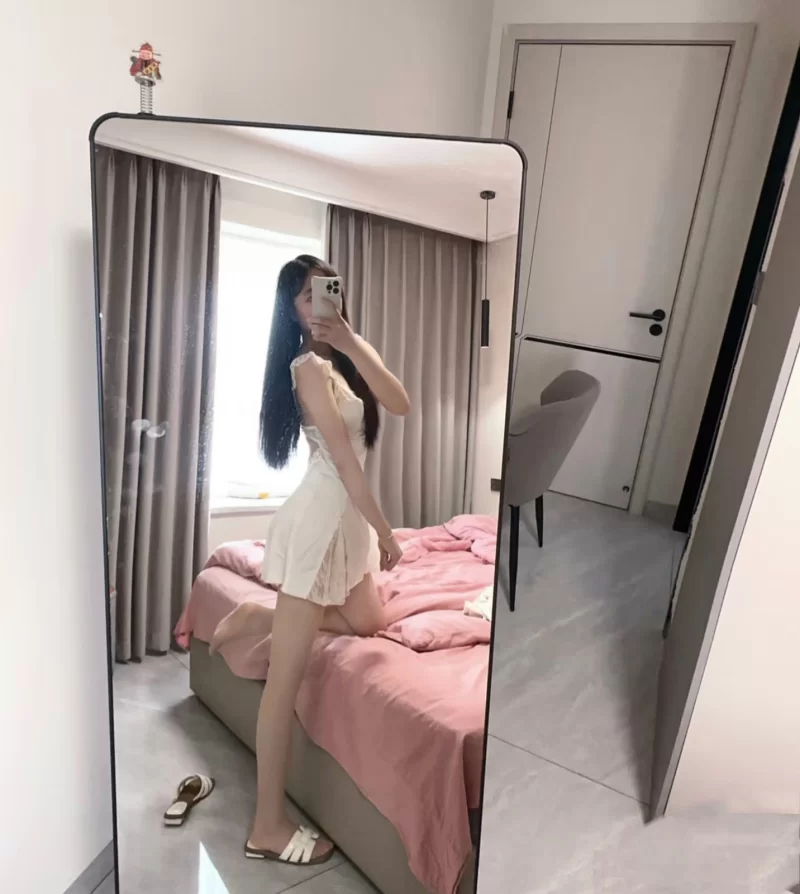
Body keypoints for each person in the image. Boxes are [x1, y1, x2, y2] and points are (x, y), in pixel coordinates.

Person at [209, 255, 410, 866]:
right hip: (321, 520)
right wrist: (386, 531)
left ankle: (257, 616)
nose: (319, 300)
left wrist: (351, 340)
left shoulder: (343, 359)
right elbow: (346, 466)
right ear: (291, 311)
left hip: (346, 522)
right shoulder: (305, 369)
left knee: (369, 621)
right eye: (305, 296)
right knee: (285, 682)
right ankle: (266, 827)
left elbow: (400, 403)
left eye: (326, 288)